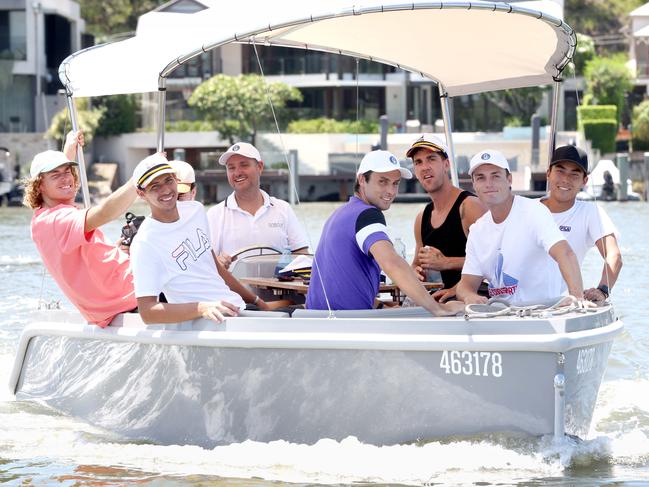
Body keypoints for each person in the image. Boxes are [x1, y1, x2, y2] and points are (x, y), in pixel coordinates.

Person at [306, 150, 465, 316]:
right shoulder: (367, 215)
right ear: (362, 179)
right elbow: (392, 263)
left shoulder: (341, 213)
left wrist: (381, 306)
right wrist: (438, 308)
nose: (391, 191)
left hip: (318, 318)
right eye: (383, 182)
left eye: (395, 183)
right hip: (348, 324)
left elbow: (342, 279)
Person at [129, 153, 272, 324]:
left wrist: (256, 301)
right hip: (205, 324)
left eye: (168, 181)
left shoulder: (195, 210)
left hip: (236, 309)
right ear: (141, 193)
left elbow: (215, 268)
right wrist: (202, 308)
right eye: (155, 186)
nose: (166, 190)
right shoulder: (144, 243)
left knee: (297, 310)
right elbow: (147, 312)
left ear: (176, 179)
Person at [24, 131, 137, 327]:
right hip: (133, 295)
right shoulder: (59, 219)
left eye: (68, 171)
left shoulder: (42, 218)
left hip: (123, 291)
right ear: (39, 186)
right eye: (56, 174)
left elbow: (58, 181)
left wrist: (69, 149)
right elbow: (104, 213)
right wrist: (140, 178)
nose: (66, 178)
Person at [456, 149, 590, 306]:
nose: (489, 184)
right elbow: (465, 285)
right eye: (481, 178)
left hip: (543, 313)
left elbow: (565, 253)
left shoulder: (534, 211)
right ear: (474, 185)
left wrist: (578, 299)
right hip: (500, 315)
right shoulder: (477, 231)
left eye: (495, 176)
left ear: (509, 179)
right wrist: (469, 296)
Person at [407, 134, 486, 302]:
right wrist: (415, 271)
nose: (424, 167)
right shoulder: (422, 218)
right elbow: (417, 264)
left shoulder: (469, 206)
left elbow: (495, 259)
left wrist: (447, 263)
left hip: (474, 303)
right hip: (439, 305)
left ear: (446, 164)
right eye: (418, 162)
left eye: (431, 159)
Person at [207, 142, 308, 269]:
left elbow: (303, 256)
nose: (237, 172)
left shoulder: (284, 209)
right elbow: (204, 264)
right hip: (231, 289)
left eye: (244, 165)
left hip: (278, 289)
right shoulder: (214, 215)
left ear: (259, 167)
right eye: (231, 168)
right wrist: (217, 263)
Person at [541, 145, 622, 302]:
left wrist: (602, 290)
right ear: (548, 173)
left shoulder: (590, 213)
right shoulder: (527, 209)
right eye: (560, 170)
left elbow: (614, 255)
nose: (566, 179)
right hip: (515, 303)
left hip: (563, 304)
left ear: (584, 181)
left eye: (574, 174)